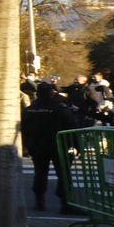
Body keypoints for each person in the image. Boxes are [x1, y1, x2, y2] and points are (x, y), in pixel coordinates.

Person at [22, 82, 85, 213]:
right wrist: (77, 145)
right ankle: (65, 203)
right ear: (52, 94)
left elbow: (24, 130)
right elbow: (71, 127)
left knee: (40, 173)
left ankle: (39, 201)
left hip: (38, 145)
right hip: (59, 145)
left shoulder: (29, 110)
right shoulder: (60, 108)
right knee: (63, 174)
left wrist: (26, 145)